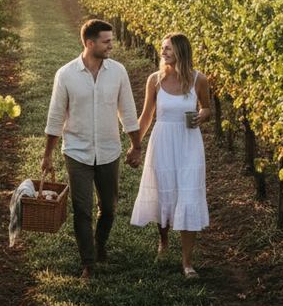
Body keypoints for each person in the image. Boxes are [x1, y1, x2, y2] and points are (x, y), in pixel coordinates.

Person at [43, 19, 141, 280]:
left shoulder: (118, 72)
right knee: (82, 209)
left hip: (109, 150)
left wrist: (136, 145)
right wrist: (47, 155)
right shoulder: (66, 75)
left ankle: (100, 244)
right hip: (77, 151)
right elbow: (55, 117)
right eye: (106, 41)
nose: (112, 45)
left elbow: (128, 111)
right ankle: (88, 262)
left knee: (108, 208)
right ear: (89, 43)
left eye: (111, 40)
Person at [130, 32, 211, 278]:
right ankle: (163, 241)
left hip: (189, 143)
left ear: (181, 51)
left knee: (189, 195)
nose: (163, 52)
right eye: (162, 47)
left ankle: (187, 262)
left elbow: (207, 108)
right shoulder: (155, 80)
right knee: (163, 191)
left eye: (168, 48)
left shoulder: (199, 79)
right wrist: (135, 145)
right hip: (163, 141)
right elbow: (147, 116)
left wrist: (203, 115)